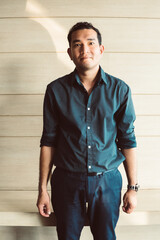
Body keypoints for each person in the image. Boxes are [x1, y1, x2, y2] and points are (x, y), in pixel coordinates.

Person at [37, 22, 139, 240]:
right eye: (77, 45)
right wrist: (42, 190)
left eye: (91, 43)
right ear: (70, 53)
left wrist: (133, 187)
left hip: (108, 181)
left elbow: (127, 140)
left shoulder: (120, 90)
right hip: (66, 181)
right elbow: (48, 141)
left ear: (101, 49)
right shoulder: (55, 90)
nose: (85, 50)